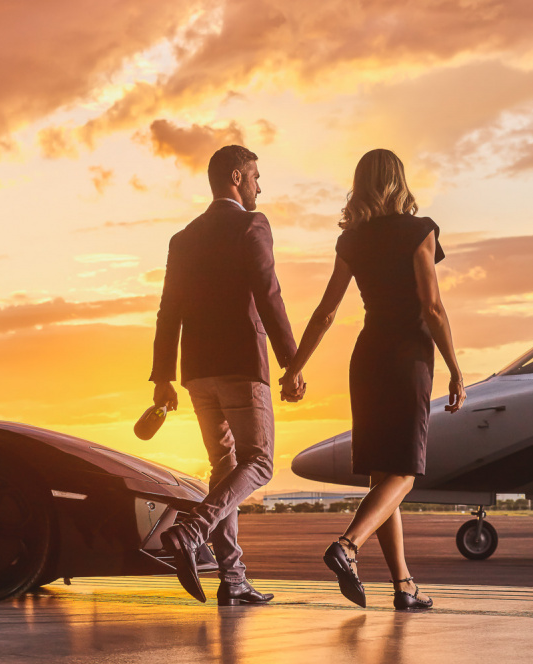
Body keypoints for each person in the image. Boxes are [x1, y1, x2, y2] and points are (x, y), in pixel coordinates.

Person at [280, 148, 465, 611]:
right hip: (408, 359)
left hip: (368, 358)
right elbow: (432, 307)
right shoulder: (420, 231)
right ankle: (347, 545)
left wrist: (295, 367)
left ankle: (404, 585)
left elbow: (326, 313)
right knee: (405, 473)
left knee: (383, 476)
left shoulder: (353, 239)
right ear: (398, 181)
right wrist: (456, 368)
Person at [151, 144, 304, 606]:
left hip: (197, 371)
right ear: (237, 177)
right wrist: (291, 363)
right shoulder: (250, 225)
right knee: (258, 463)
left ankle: (233, 577)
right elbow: (269, 294)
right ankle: (194, 530)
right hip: (241, 366)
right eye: (256, 175)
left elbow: (168, 311)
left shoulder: (184, 237)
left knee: (225, 468)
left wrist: (163, 377)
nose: (261, 185)